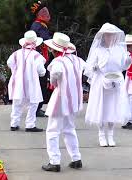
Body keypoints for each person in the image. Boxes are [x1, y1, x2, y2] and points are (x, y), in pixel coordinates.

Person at [42, 32, 85, 172]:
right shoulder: (77, 60)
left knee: (53, 130)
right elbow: (87, 70)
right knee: (69, 128)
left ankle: (54, 161)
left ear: (55, 50)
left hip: (61, 99)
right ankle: (76, 158)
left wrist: (53, 82)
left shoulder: (58, 62)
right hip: (74, 100)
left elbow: (55, 75)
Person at [84, 23, 131, 147]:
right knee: (101, 107)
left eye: (111, 35)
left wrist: (128, 61)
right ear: (103, 36)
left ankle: (110, 134)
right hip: (101, 81)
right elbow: (89, 67)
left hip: (116, 80)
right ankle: (101, 134)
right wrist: (95, 67)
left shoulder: (120, 49)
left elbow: (123, 66)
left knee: (113, 107)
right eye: (107, 35)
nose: (109, 37)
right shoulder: (98, 50)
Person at [7, 30, 46, 132]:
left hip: (17, 82)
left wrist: (16, 71)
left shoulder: (16, 54)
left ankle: (14, 123)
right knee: (33, 103)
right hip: (31, 83)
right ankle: (30, 124)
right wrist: (41, 73)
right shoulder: (36, 55)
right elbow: (41, 71)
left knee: (17, 103)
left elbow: (9, 63)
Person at [30, 0, 53, 118]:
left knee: (42, 84)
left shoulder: (41, 25)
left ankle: (38, 107)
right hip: (39, 59)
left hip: (43, 58)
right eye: (44, 12)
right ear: (39, 14)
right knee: (40, 84)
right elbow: (44, 39)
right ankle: (37, 108)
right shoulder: (37, 25)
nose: (47, 14)